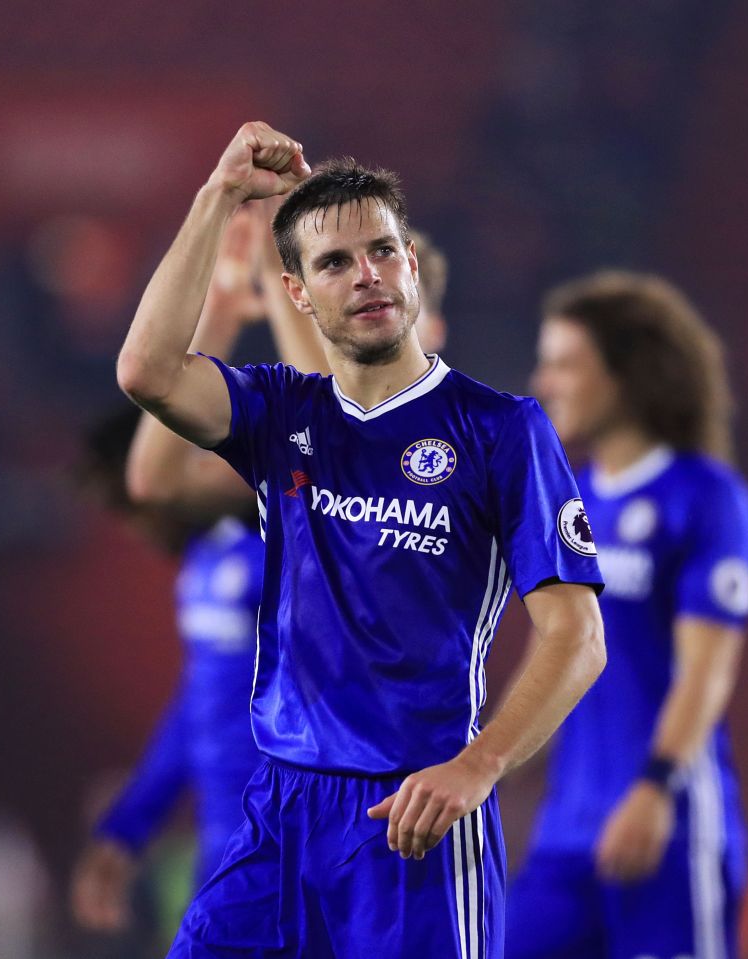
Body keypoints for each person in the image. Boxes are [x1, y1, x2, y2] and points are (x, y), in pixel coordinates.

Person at [116, 121, 606, 958]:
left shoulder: (500, 431)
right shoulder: (283, 413)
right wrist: (219, 196)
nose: (366, 273)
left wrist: (478, 765)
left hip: (409, 821)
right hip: (279, 812)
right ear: (297, 295)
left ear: (412, 267)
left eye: (383, 250)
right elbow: (147, 372)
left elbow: (578, 634)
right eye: (335, 262)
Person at [505, 271, 748, 959]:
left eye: (564, 362)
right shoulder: (569, 500)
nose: (544, 379)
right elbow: (547, 657)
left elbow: (706, 671)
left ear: (626, 374)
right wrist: (485, 765)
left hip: (665, 826)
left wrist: (654, 788)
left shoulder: (706, 497)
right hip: (567, 832)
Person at [71, 207, 268, 932]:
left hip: (300, 841)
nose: (139, 519)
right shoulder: (208, 561)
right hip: (228, 851)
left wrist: (216, 314)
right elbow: (198, 708)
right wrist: (126, 829)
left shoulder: (292, 542)